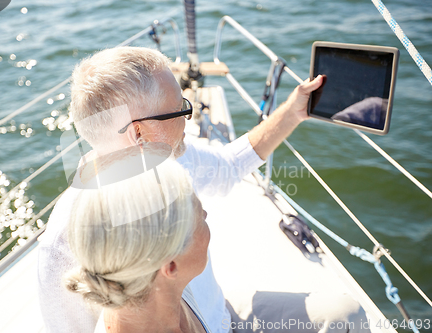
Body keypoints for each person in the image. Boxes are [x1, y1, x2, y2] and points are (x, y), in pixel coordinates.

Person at [37, 46, 324, 332]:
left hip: (222, 318)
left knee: (344, 317)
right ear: (140, 134)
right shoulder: (63, 244)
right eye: (179, 109)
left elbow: (228, 167)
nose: (189, 117)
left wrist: (293, 112)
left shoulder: (169, 156)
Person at [64, 157, 211, 333]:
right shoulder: (164, 291)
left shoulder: (161, 288)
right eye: (198, 216)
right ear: (170, 265)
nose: (205, 214)